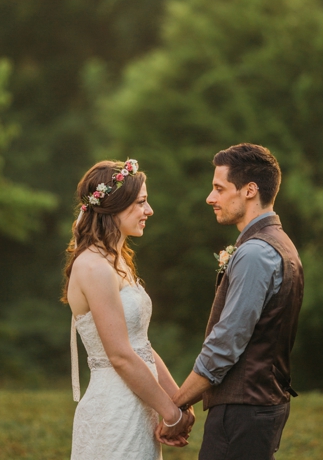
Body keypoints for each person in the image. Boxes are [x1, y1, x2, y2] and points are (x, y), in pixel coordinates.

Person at [161, 143, 304, 459]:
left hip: (243, 412)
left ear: (250, 190)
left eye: (219, 188)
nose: (210, 198)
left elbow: (225, 344)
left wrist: (176, 405)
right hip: (259, 405)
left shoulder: (255, 253)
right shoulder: (280, 244)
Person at [65, 159, 194, 459]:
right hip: (115, 410)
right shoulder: (93, 266)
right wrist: (170, 413)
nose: (149, 210)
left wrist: (179, 402)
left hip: (139, 404)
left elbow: (141, 345)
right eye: (141, 202)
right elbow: (121, 356)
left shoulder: (117, 261)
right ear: (114, 207)